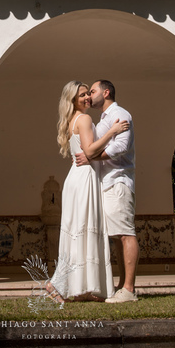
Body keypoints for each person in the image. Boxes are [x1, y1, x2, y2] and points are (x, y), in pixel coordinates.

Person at [46, 80, 128, 303]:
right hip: (84, 178)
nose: (87, 98)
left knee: (78, 230)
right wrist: (112, 131)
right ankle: (58, 283)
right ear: (73, 99)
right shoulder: (84, 118)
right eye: (82, 95)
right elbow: (90, 149)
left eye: (87, 94)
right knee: (85, 229)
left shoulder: (72, 119)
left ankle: (81, 287)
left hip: (76, 176)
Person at [76, 79, 138, 303]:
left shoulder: (121, 114)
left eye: (92, 91)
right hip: (105, 183)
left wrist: (92, 156)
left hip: (118, 181)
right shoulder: (103, 120)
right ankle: (122, 286)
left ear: (106, 91)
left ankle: (129, 289)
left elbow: (121, 147)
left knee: (125, 233)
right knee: (116, 236)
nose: (90, 96)